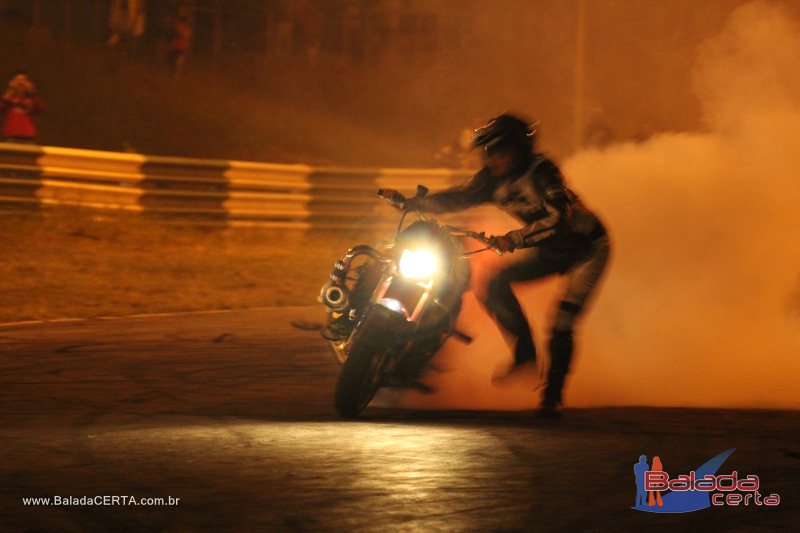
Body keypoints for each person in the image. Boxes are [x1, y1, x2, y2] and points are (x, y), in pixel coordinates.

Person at [380, 113, 611, 417]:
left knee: (561, 324)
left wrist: (514, 238)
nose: (491, 159)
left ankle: (552, 398)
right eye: (487, 152)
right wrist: (413, 204)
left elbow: (559, 219)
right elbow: (457, 198)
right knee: (493, 285)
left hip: (587, 250)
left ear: (519, 149)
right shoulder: (490, 180)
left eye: (499, 151)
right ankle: (525, 356)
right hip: (550, 250)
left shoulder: (543, 173)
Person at [1, 71, 44, 143]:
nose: (20, 83)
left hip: (28, 135)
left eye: (23, 80)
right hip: (11, 135)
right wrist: (11, 92)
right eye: (18, 80)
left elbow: (40, 108)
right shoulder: (8, 98)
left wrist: (32, 92)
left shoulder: (30, 99)